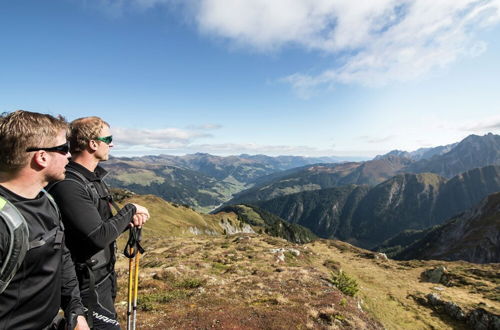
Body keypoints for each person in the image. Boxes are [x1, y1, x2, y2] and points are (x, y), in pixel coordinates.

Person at [49, 116, 149, 329]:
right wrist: (130, 210)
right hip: (85, 283)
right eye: (108, 138)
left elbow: (98, 225)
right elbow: (97, 236)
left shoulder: (90, 179)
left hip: (101, 277)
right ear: (93, 144)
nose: (112, 144)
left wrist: (126, 221)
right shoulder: (70, 184)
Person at [0, 110, 89, 329]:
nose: (69, 155)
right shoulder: (3, 224)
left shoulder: (46, 198)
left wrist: (75, 311)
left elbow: (61, 255)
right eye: (63, 149)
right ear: (41, 157)